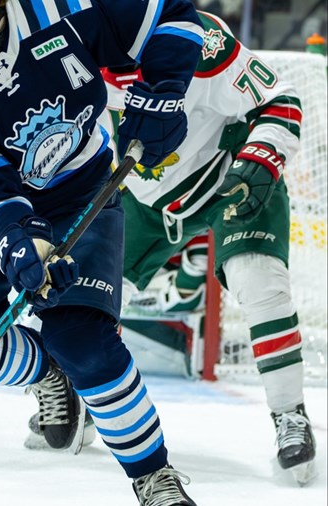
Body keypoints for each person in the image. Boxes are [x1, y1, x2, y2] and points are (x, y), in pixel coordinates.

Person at [0, 0, 204, 503]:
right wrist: (19, 236)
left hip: (79, 188)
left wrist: (164, 90)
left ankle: (152, 476)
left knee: (84, 342)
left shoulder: (60, 7)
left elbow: (175, 12)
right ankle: (46, 371)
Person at [108, 12, 315, 485]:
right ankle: (73, 393)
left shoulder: (200, 40)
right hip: (141, 193)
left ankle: (289, 413)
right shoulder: (69, 52)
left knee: (257, 278)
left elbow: (279, 100)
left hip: (229, 175)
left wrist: (260, 161)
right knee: (83, 293)